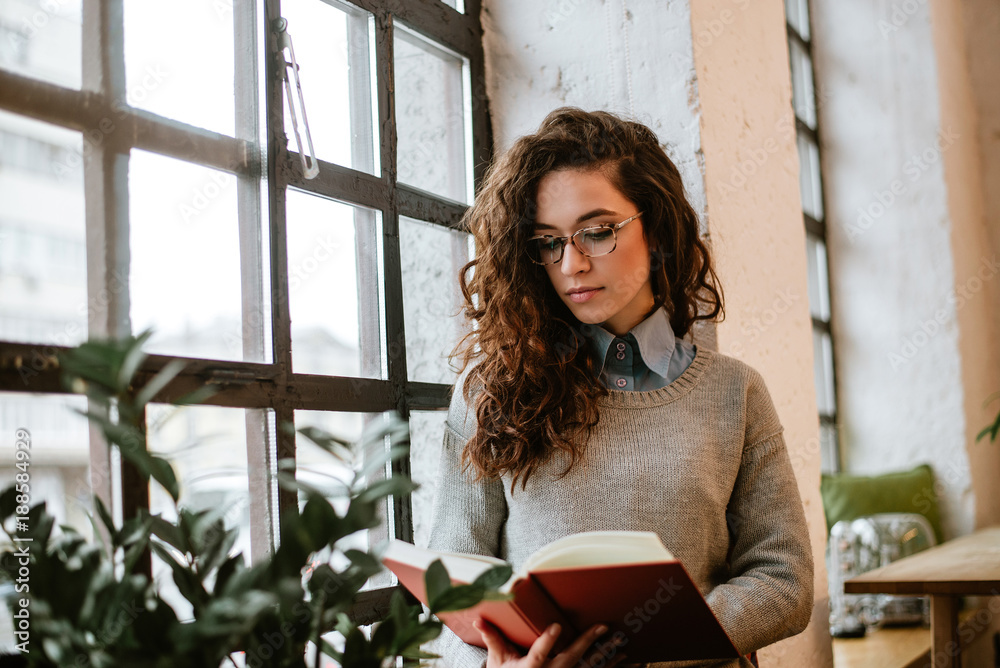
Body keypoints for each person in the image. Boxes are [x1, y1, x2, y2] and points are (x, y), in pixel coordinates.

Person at [426, 108, 813, 668]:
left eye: (598, 232)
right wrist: (491, 667)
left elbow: (785, 579)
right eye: (549, 242)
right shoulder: (488, 391)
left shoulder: (737, 394)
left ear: (654, 227)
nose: (572, 264)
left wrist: (653, 641)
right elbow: (449, 590)